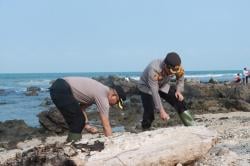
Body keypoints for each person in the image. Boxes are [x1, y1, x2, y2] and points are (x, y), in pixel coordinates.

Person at [49, 77, 126, 142]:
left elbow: (81, 109)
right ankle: (72, 145)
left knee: (78, 121)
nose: (114, 104)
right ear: (113, 95)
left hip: (59, 86)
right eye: (117, 102)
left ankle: (72, 143)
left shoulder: (97, 92)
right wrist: (110, 141)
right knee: (77, 122)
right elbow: (106, 126)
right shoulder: (103, 97)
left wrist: (87, 126)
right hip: (62, 88)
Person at [137, 52, 194, 130]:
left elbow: (180, 77)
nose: (172, 73)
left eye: (174, 71)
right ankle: (145, 130)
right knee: (149, 111)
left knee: (179, 100)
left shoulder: (177, 66)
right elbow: (154, 92)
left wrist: (178, 90)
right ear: (165, 65)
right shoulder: (153, 69)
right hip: (147, 87)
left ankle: (191, 125)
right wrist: (161, 111)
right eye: (171, 71)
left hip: (162, 85)